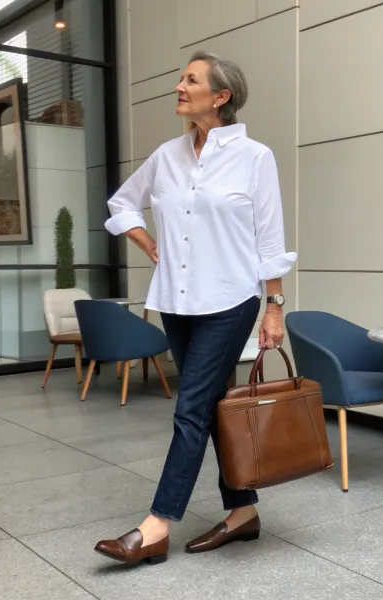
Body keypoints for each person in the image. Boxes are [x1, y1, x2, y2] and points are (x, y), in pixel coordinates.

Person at [94, 51, 296, 566]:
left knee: (190, 411)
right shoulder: (167, 155)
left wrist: (273, 307)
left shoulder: (255, 157)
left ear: (221, 96)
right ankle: (243, 512)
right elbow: (122, 202)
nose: (179, 87)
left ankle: (156, 526)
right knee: (210, 408)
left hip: (230, 300)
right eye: (181, 78)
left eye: (191, 80)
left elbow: (270, 240)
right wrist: (145, 242)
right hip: (176, 301)